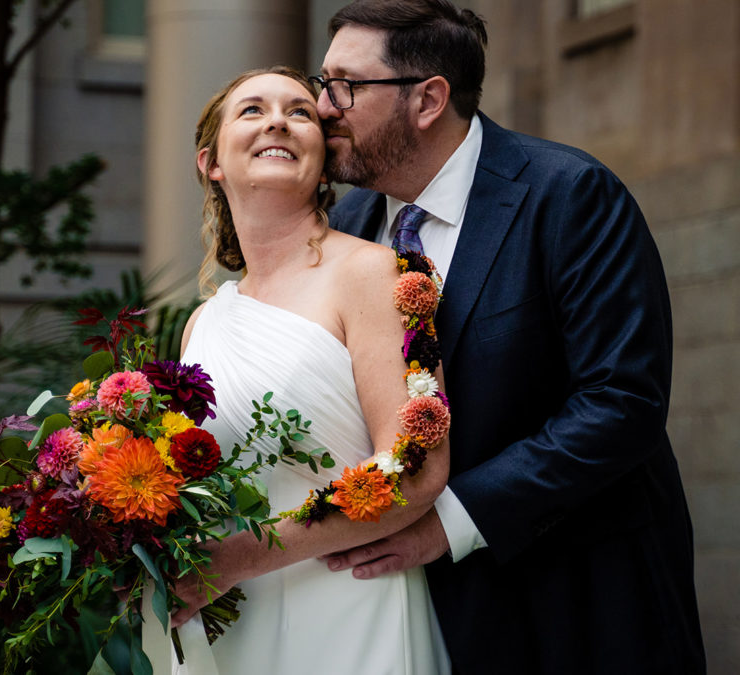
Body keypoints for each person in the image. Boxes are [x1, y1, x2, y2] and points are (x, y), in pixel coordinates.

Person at [315, 1, 706, 673]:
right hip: (404, 622)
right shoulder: (345, 223)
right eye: (322, 82)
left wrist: (449, 523)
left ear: (429, 99)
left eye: (345, 86)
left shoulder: (570, 194)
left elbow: (620, 403)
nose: (323, 106)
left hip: (578, 611)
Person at [168, 66, 451, 674]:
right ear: (209, 162)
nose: (277, 120)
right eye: (252, 110)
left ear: (323, 158)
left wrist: (240, 558)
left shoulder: (373, 274)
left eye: (299, 112)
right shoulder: (203, 324)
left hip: (349, 607)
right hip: (226, 618)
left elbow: (416, 468)